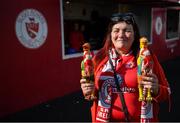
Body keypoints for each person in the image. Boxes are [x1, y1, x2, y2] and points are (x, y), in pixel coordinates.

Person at [80, 12, 171, 122]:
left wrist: (156, 90)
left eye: (127, 30)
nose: (121, 35)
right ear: (111, 34)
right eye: (116, 30)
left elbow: (167, 93)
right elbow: (93, 93)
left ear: (135, 34)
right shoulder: (99, 58)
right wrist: (89, 91)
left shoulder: (146, 58)